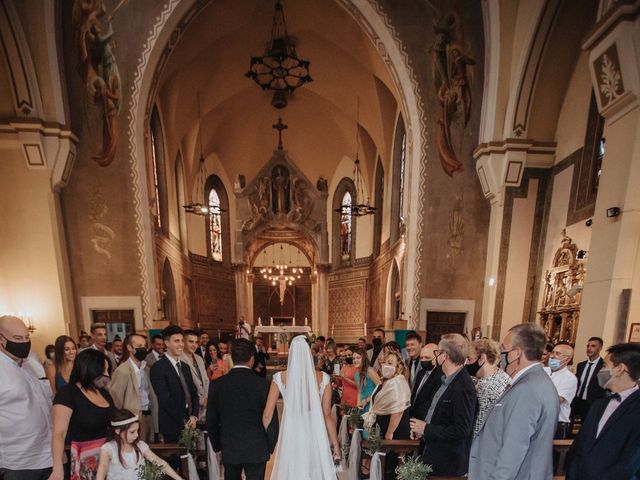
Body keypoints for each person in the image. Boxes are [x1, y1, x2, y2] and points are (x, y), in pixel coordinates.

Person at [468, 323, 559, 480]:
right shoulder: (537, 381)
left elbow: (514, 449)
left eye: (504, 349)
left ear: (517, 353)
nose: (501, 354)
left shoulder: (527, 389)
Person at [263, 335, 339, 480]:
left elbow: (267, 414)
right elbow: (327, 415)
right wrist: (335, 445)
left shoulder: (280, 377)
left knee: (294, 471)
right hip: (315, 432)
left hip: (291, 432)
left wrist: (264, 440)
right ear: (309, 352)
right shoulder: (323, 378)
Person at [565, 342, 640, 480]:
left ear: (620, 369)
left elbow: (630, 463)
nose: (601, 370)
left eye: (605, 366)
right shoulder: (599, 404)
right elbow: (579, 446)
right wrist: (572, 473)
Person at [207, 338, 279, 480]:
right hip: (257, 447)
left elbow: (211, 420)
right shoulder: (264, 385)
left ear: (232, 358)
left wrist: (217, 446)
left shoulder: (217, 385)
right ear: (252, 359)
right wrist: (269, 446)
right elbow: (272, 420)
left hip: (230, 446)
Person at [410, 333, 477, 477]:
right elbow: (438, 414)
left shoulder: (463, 386)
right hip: (434, 452)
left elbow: (461, 430)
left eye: (437, 352)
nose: (437, 356)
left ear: (444, 355)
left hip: (448, 461)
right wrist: (422, 429)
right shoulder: (445, 379)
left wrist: (426, 429)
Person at [0, 315, 53, 480]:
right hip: (18, 462)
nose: (24, 342)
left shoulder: (33, 363)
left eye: (26, 337)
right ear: (1, 339)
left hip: (48, 454)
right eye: (17, 338)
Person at [51, 348, 115, 480]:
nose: (106, 374)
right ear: (89, 369)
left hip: (109, 458)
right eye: (103, 370)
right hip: (85, 461)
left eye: (108, 370)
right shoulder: (68, 393)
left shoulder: (103, 393)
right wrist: (57, 469)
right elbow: (59, 433)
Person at [96, 409, 182, 480]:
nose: (136, 435)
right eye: (132, 432)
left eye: (137, 431)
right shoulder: (108, 448)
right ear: (118, 431)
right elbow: (103, 466)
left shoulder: (140, 445)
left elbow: (160, 462)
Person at [149, 325, 199, 443]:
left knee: (191, 459)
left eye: (182, 341)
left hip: (190, 421)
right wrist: (184, 420)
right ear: (166, 343)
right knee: (176, 461)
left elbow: (193, 393)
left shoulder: (185, 367)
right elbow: (165, 400)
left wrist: (194, 415)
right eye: (176, 341)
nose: (181, 344)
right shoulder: (158, 368)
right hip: (172, 424)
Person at [108, 334, 155, 443]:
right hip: (132, 420)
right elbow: (116, 400)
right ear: (129, 348)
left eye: (144, 345)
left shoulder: (146, 369)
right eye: (139, 345)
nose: (143, 348)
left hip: (148, 416)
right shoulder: (122, 371)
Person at [466, 338, 509, 436]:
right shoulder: (500, 376)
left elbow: (478, 429)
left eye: (469, 359)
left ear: (482, 358)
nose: (467, 363)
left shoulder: (488, 388)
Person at [571, 336, 606, 422]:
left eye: (593, 346)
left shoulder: (603, 366)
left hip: (591, 403)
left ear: (600, 348)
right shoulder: (581, 365)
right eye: (588, 346)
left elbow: (605, 386)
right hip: (577, 401)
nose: (589, 348)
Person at [548, 342, 577, 439]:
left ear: (567, 359)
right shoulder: (543, 371)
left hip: (556, 423)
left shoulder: (569, 378)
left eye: (558, 354)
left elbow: (556, 400)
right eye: (552, 352)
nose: (552, 356)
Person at [181, 329, 209, 419]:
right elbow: (185, 384)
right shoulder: (179, 359)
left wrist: (206, 398)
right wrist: (200, 400)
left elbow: (206, 380)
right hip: (190, 403)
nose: (194, 345)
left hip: (204, 403)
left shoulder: (199, 358)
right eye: (190, 342)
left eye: (196, 342)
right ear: (183, 342)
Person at [410, 343, 438, 419]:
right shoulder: (420, 373)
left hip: (424, 420)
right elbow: (414, 396)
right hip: (412, 417)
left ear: (436, 357)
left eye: (427, 357)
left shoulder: (440, 376)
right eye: (421, 358)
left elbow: (431, 403)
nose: (423, 360)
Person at [352, 348, 380, 412]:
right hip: (363, 407)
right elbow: (359, 391)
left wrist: (367, 400)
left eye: (358, 358)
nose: (355, 360)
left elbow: (381, 389)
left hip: (373, 405)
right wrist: (358, 404)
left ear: (363, 358)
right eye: (353, 358)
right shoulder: (356, 374)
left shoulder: (370, 371)